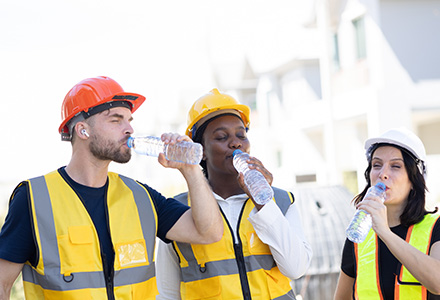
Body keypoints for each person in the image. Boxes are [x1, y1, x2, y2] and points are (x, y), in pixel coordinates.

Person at [0, 76, 223, 300]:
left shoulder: (141, 197)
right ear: (82, 130)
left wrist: (191, 169)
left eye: (129, 120)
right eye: (116, 120)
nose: (129, 129)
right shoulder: (34, 199)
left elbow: (209, 232)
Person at [156, 88, 312, 300]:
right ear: (200, 150)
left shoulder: (282, 201)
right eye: (222, 137)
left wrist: (264, 204)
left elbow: (296, 268)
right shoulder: (179, 212)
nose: (236, 143)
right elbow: (167, 294)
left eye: (241, 135)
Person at [334, 127, 440, 300]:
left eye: (396, 166)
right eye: (376, 165)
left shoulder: (435, 226)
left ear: (414, 179)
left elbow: (437, 282)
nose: (383, 174)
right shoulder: (357, 238)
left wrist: (385, 232)